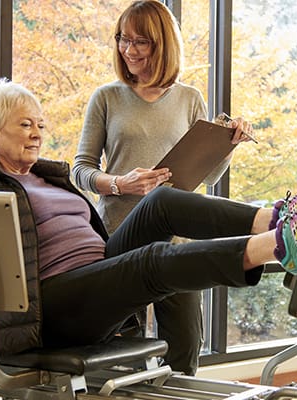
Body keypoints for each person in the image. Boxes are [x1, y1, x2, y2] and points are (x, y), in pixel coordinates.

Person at [0, 79, 297, 398]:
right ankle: (276, 245)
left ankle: (274, 218)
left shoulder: (45, 176)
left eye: (40, 124)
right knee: (153, 260)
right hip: (50, 305)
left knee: (162, 200)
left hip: (96, 274)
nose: (37, 133)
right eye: (25, 125)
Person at [72, 0, 254, 375]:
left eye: (141, 42)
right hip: (120, 238)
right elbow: (80, 170)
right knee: (123, 358)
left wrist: (229, 145)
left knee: (185, 347)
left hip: (178, 243)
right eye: (123, 39)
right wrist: (119, 183)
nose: (128, 50)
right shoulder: (106, 97)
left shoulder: (189, 99)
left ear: (163, 45)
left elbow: (210, 177)